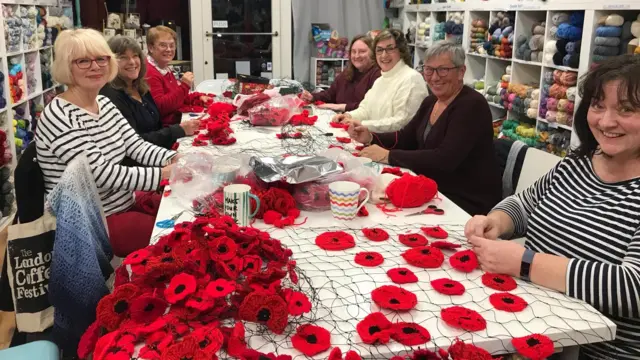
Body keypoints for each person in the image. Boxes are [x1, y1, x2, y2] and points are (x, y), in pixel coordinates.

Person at [465, 55, 640, 359]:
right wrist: (496, 220)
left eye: (626, 109)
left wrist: (525, 263)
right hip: (530, 328)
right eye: (598, 105)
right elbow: (524, 203)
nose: (606, 121)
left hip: (598, 351)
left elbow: (632, 288)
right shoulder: (577, 164)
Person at [36, 28, 176, 257]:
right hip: (93, 220)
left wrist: (173, 158)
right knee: (176, 237)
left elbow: (136, 146)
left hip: (123, 201)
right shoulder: (60, 115)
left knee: (186, 210)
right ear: (65, 67)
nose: (95, 66)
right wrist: (163, 174)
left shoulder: (104, 103)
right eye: (83, 61)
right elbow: (100, 174)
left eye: (101, 59)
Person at [348, 41, 501, 215]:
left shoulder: (471, 105)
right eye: (428, 69)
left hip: (465, 201)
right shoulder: (431, 101)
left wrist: (389, 156)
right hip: (437, 188)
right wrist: (370, 137)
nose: (434, 77)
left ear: (461, 72)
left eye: (443, 70)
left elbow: (445, 159)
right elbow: (407, 137)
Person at [100, 35, 200, 149]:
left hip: (158, 151)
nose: (132, 62)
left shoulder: (140, 87)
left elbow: (157, 125)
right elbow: (132, 144)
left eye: (135, 56)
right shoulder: (110, 97)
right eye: (123, 57)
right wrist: (178, 130)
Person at [332, 29, 428, 132]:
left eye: (390, 49)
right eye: (379, 50)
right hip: (375, 140)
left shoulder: (412, 79)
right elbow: (365, 110)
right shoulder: (380, 80)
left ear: (401, 51)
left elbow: (402, 122)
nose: (384, 55)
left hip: (395, 146)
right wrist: (348, 116)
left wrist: (362, 124)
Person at [145, 26, 209, 127]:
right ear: (151, 47)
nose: (169, 49)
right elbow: (161, 108)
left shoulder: (163, 67)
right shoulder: (149, 72)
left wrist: (197, 98)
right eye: (163, 45)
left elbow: (176, 96)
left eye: (172, 45)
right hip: (165, 129)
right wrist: (184, 86)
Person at [300, 34, 380, 112]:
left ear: (372, 53)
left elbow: (371, 107)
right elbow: (329, 94)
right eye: (353, 52)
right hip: (341, 119)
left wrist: (340, 107)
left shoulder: (377, 74)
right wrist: (312, 97)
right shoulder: (347, 73)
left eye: (362, 51)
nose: (356, 56)